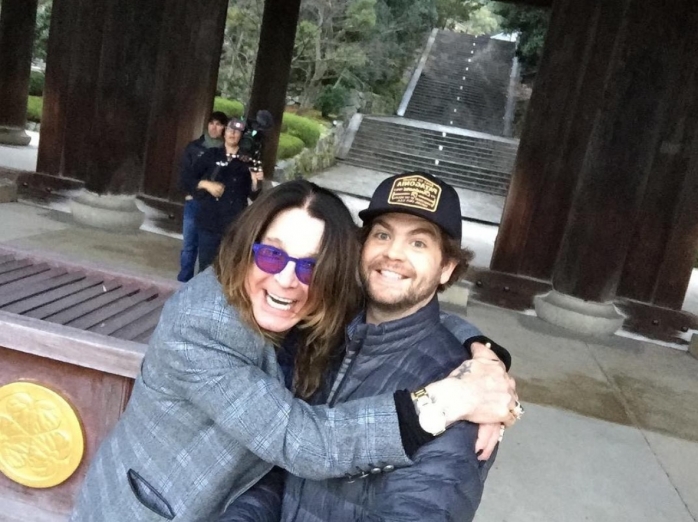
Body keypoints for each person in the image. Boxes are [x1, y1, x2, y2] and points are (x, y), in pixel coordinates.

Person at [70, 180, 519, 522]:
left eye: (311, 265)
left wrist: (483, 355)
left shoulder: (327, 305)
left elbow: (407, 312)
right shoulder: (202, 324)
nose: (287, 279)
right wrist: (453, 398)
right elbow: (303, 443)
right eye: (271, 255)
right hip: (149, 507)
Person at [220, 172, 514, 522]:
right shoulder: (324, 333)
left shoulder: (461, 391)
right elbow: (277, 467)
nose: (393, 253)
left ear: (447, 268)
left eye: (418, 243)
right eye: (382, 235)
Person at [183, 117, 265, 273]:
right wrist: (206, 184)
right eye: (229, 130)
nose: (232, 134)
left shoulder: (248, 161)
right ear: (224, 132)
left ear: (241, 136)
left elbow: (254, 195)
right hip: (209, 219)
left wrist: (256, 182)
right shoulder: (212, 154)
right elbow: (187, 179)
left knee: (227, 267)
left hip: (233, 223)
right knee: (206, 267)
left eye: (237, 131)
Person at [177, 111, 228, 283]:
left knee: (208, 250)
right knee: (188, 247)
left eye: (218, 124)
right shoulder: (194, 147)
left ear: (224, 128)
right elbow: (185, 174)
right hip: (194, 202)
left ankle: (201, 287)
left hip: (214, 207)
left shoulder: (227, 152)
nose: (214, 127)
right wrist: (190, 193)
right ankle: (183, 283)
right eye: (212, 123)